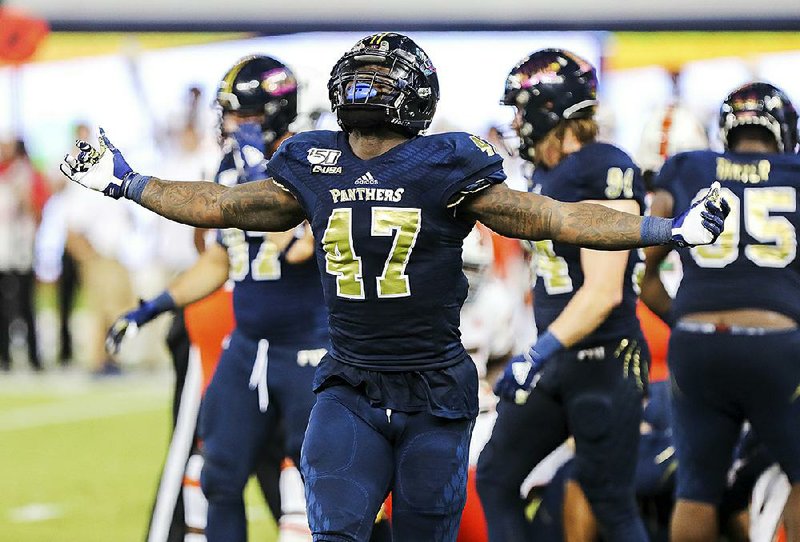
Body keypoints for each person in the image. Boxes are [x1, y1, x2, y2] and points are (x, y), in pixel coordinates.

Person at [61, 32, 728, 542]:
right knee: (339, 528)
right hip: (350, 384)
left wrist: (667, 229)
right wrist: (131, 184)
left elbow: (556, 216)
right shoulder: (315, 160)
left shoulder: (445, 163)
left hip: (432, 390)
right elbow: (222, 205)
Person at [105, 55, 325, 542]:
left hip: (308, 348)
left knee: (322, 485)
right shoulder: (231, 167)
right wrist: (154, 307)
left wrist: (255, 172)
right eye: (229, 115)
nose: (230, 126)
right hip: (247, 345)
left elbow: (295, 247)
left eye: (241, 116)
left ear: (273, 115)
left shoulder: (311, 159)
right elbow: (222, 259)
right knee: (217, 477)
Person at [472, 48, 653, 542]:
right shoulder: (551, 172)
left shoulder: (603, 166)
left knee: (608, 499)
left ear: (548, 108)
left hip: (603, 359)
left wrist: (537, 351)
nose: (515, 121)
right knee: (495, 476)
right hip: (558, 362)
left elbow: (602, 291)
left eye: (520, 109)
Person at [640, 80, 800, 542]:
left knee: (697, 492)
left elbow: (641, 271)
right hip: (777, 345)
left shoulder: (688, 167)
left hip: (696, 346)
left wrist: (692, 321)